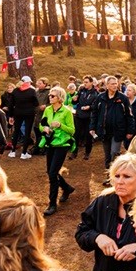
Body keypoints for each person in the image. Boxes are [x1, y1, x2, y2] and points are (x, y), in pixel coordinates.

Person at [37, 87, 76, 216]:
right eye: (50, 95)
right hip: (50, 143)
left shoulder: (66, 112)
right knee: (50, 172)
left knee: (53, 173)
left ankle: (52, 204)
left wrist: (60, 126)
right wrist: (45, 128)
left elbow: (72, 130)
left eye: (52, 96)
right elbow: (41, 124)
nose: (50, 97)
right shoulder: (48, 110)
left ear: (59, 97)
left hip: (62, 144)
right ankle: (67, 188)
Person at [94, 76, 134, 176]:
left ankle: (114, 175)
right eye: (112, 84)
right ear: (107, 85)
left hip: (118, 131)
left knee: (114, 153)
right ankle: (109, 175)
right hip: (104, 131)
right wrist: (92, 127)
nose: (115, 85)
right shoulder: (100, 97)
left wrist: (130, 130)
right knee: (107, 155)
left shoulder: (123, 98)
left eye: (116, 83)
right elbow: (94, 113)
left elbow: (129, 115)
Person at [8, 76, 39, 159]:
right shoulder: (32, 91)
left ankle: (13, 151)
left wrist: (10, 115)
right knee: (27, 132)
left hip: (17, 113)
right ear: (27, 82)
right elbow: (36, 103)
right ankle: (24, 153)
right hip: (29, 113)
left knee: (16, 131)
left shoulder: (15, 91)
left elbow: (11, 104)